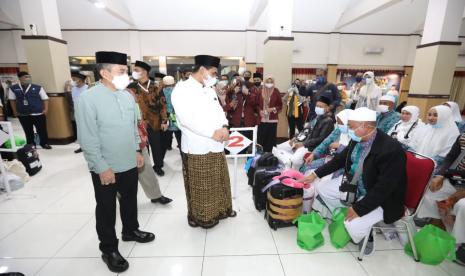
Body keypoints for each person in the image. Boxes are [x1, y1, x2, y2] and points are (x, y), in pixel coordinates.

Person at [76, 51, 155, 273]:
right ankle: (109, 249)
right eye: (121, 71)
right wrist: (101, 167)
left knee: (130, 199)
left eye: (126, 71)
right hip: (106, 165)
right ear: (104, 73)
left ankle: (130, 230)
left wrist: (137, 151)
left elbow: (132, 127)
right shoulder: (88, 99)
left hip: (129, 160)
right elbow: (87, 137)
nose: (127, 75)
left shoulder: (126, 96)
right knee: (106, 208)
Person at [300, 107, 407, 255]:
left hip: (382, 197)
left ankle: (366, 235)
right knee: (322, 189)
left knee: (353, 225)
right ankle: (345, 212)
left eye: (351, 126)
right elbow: (339, 160)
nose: (348, 129)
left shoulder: (390, 149)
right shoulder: (358, 138)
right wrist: (315, 175)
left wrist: (360, 208)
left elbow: (384, 188)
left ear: (367, 126)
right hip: (356, 183)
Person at [171, 54, 236, 228]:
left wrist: (224, 126)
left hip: (216, 144)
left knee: (218, 181)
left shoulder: (208, 88)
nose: (215, 77)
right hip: (197, 146)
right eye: (214, 73)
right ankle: (202, 216)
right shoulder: (182, 89)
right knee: (201, 185)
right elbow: (186, 119)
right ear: (202, 70)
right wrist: (212, 132)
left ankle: (220, 210)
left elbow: (219, 111)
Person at [416, 133, 465, 265]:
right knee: (428, 191)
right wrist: (440, 175)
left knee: (462, 206)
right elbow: (451, 158)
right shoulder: (462, 136)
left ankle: (458, 242)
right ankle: (439, 225)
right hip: (457, 178)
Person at [127, 85, 172, 205]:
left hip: (139, 137)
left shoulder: (129, 92)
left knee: (146, 168)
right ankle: (125, 201)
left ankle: (155, 195)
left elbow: (137, 118)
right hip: (121, 142)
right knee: (123, 176)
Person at [128, 61, 168, 176]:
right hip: (138, 122)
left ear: (145, 72)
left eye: (136, 70)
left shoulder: (156, 86)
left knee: (156, 145)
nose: (134, 72)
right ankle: (145, 167)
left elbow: (163, 104)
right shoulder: (131, 87)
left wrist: (164, 120)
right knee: (142, 146)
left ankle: (158, 166)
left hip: (154, 121)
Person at [275, 96, 334, 170]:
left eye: (320, 106)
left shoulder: (328, 121)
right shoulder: (316, 117)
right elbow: (305, 130)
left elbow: (321, 139)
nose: (318, 108)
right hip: (301, 141)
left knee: (294, 161)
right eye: (317, 106)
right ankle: (287, 165)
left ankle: (293, 173)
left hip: (310, 147)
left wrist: (303, 144)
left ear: (327, 108)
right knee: (276, 149)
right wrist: (295, 138)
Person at [8, 71, 52, 149]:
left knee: (42, 129)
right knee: (27, 130)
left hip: (38, 113)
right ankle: (31, 144)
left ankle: (44, 143)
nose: (28, 78)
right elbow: (12, 100)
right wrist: (15, 111)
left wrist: (46, 109)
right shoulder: (13, 88)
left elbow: (45, 99)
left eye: (29, 77)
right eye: (25, 77)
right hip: (23, 114)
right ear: (20, 78)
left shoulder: (38, 87)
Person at [257, 76, 283, 152]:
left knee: (271, 137)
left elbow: (280, 105)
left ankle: (270, 153)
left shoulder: (276, 91)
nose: (269, 84)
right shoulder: (260, 91)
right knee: (262, 136)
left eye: (271, 82)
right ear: (264, 82)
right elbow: (256, 104)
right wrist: (259, 111)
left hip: (272, 119)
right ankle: (261, 152)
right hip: (262, 119)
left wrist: (273, 109)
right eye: (267, 82)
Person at [68, 72, 88, 153]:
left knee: (89, 130)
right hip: (77, 113)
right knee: (80, 130)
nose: (73, 81)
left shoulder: (88, 88)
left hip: (87, 113)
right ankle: (82, 146)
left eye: (74, 79)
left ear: (80, 80)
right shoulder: (73, 89)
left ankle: (90, 146)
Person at [162, 75, 182, 151]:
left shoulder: (162, 91)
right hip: (175, 114)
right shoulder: (177, 90)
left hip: (166, 115)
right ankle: (181, 147)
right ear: (173, 82)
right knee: (178, 132)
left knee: (167, 133)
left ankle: (168, 146)